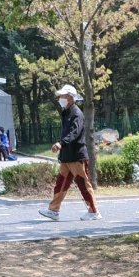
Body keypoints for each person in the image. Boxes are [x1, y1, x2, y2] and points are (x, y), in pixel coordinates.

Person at [39, 85, 99, 221]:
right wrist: (61, 145)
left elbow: (74, 133)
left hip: (76, 156)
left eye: (63, 96)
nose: (60, 98)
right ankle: (53, 210)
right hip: (67, 156)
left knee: (83, 184)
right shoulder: (67, 112)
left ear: (71, 98)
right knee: (61, 184)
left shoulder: (76, 113)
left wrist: (61, 143)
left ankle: (94, 211)